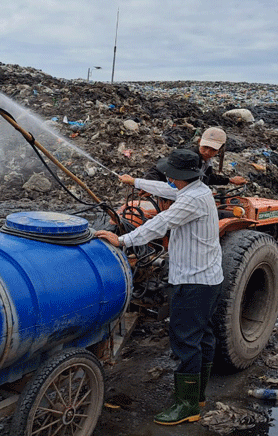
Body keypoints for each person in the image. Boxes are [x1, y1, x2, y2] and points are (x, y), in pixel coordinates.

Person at [94, 149, 223, 425]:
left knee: (185, 339)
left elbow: (161, 223)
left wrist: (123, 241)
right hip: (209, 279)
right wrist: (135, 182)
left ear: (181, 175)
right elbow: (164, 188)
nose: (169, 178)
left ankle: (187, 406)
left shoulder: (191, 201)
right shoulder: (196, 190)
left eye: (172, 174)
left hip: (193, 281)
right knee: (204, 336)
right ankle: (198, 395)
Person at [143, 126, 247, 187]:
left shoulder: (206, 162)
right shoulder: (188, 158)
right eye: (205, 147)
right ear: (199, 142)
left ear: (220, 150)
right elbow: (155, 170)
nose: (207, 152)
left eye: (213, 150)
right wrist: (152, 187)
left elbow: (207, 178)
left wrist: (229, 180)